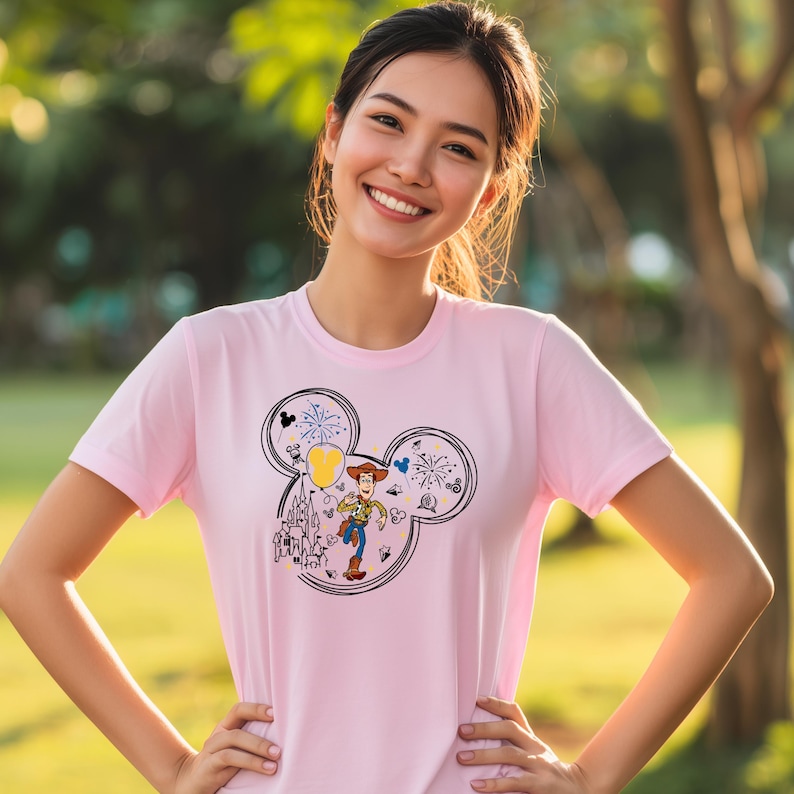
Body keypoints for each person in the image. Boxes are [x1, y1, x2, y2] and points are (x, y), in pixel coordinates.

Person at [0, 2, 773, 793]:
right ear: (334, 130)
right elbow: (31, 574)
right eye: (389, 121)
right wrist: (168, 768)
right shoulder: (212, 356)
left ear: (493, 189)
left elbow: (732, 578)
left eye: (458, 148)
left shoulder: (531, 360)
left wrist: (589, 778)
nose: (411, 165)